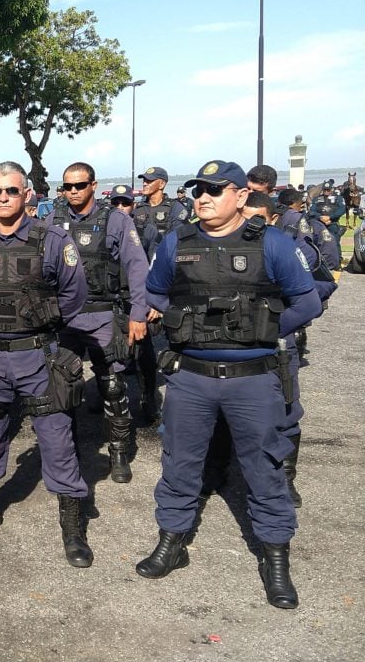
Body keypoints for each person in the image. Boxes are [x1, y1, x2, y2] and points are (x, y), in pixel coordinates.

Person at [135, 160, 322, 610]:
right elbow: (154, 291)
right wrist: (181, 321)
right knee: (180, 464)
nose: (203, 196)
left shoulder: (272, 242)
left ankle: (275, 557)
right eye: (199, 189)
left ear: (240, 196)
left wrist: (263, 329)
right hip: (191, 379)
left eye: (216, 190)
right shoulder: (177, 241)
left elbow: (309, 300)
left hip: (253, 380)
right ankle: (172, 540)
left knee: (264, 468)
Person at [0, 161, 93, 567]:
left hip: (38, 355)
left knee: (56, 438)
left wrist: (39, 321)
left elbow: (74, 294)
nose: (4, 198)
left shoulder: (53, 239)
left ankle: (72, 525)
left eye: (12, 191)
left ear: (27, 194)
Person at [49, 162, 151, 482]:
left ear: (93, 185)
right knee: (62, 388)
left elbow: (137, 267)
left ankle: (119, 452)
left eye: (80, 185)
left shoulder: (116, 220)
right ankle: (69, 454)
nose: (74, 192)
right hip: (65, 319)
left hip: (104, 314)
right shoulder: (53, 219)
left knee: (112, 385)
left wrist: (138, 314)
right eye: (68, 186)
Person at [109, 184, 160, 420]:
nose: (120, 208)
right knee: (109, 353)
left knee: (143, 353)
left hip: (136, 297)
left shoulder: (146, 229)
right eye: (115, 203)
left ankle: (148, 396)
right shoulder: (105, 225)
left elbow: (156, 267)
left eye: (125, 203)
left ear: (134, 204)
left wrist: (154, 303)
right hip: (111, 297)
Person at [133, 167, 189, 241]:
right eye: (144, 180)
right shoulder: (137, 208)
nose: (144, 183)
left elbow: (181, 236)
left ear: (161, 184)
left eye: (149, 181)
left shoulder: (175, 208)